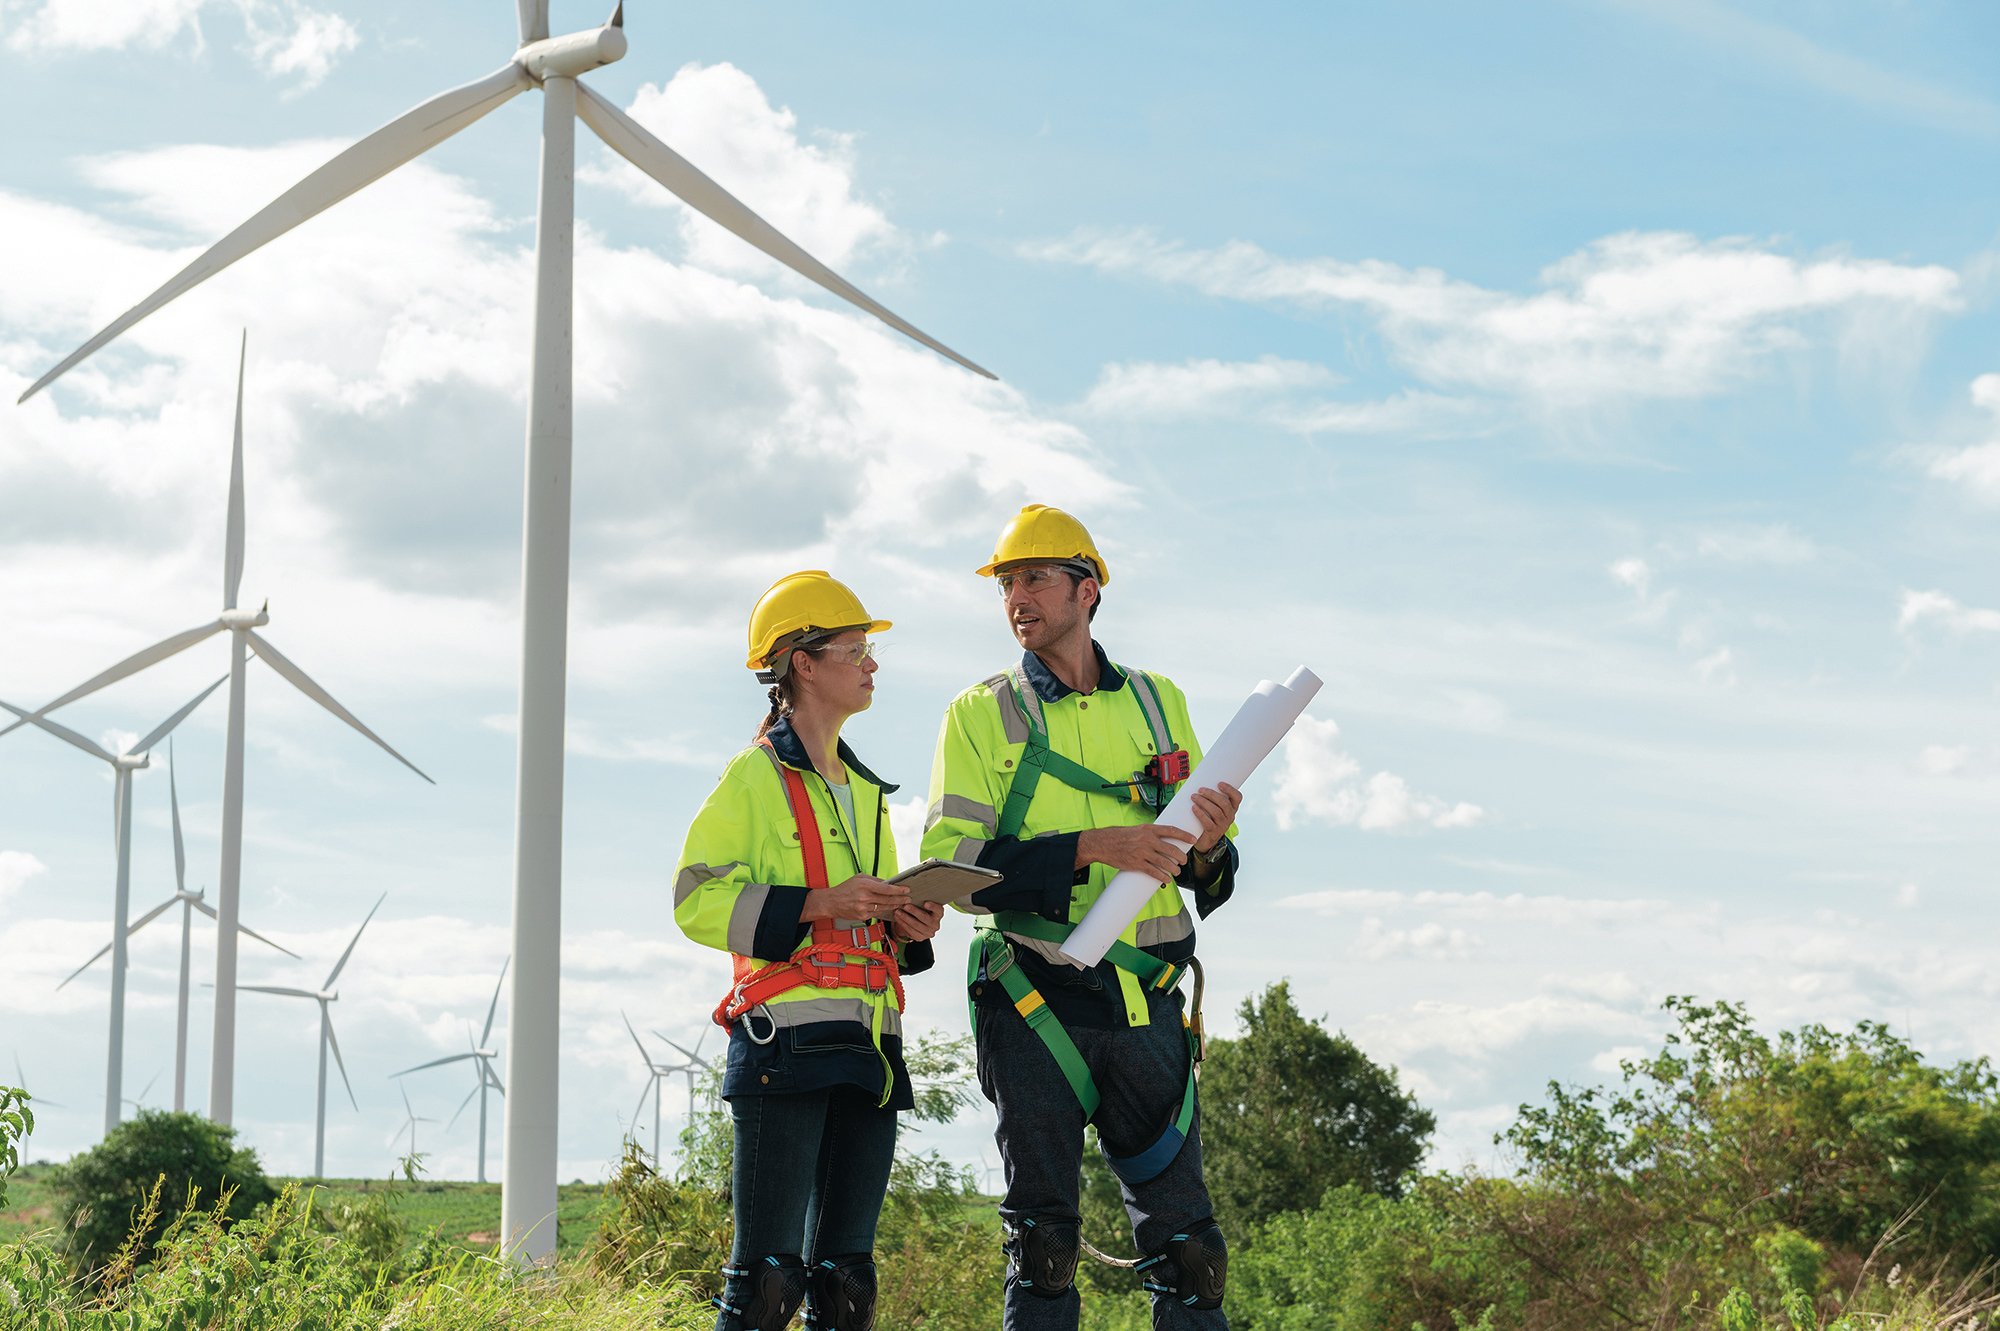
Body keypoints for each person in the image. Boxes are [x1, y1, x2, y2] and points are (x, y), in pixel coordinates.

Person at [922, 505, 1243, 1330]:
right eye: (1005, 584)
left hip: (1149, 1009)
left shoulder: (1158, 700)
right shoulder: (979, 713)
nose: (1015, 598)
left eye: (1032, 578)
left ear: (1087, 589)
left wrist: (1207, 842)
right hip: (1034, 1004)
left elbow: (1215, 869)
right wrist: (1091, 846)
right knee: (1045, 1246)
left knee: (1194, 1254)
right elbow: (953, 875)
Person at [675, 570, 946, 1331]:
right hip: (783, 1050)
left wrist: (905, 924)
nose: (872, 663)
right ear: (803, 661)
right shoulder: (753, 775)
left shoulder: (867, 790)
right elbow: (694, 897)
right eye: (856, 648)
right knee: (768, 1284)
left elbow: (867, 924)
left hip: (871, 1051)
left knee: (846, 1288)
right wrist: (820, 903)